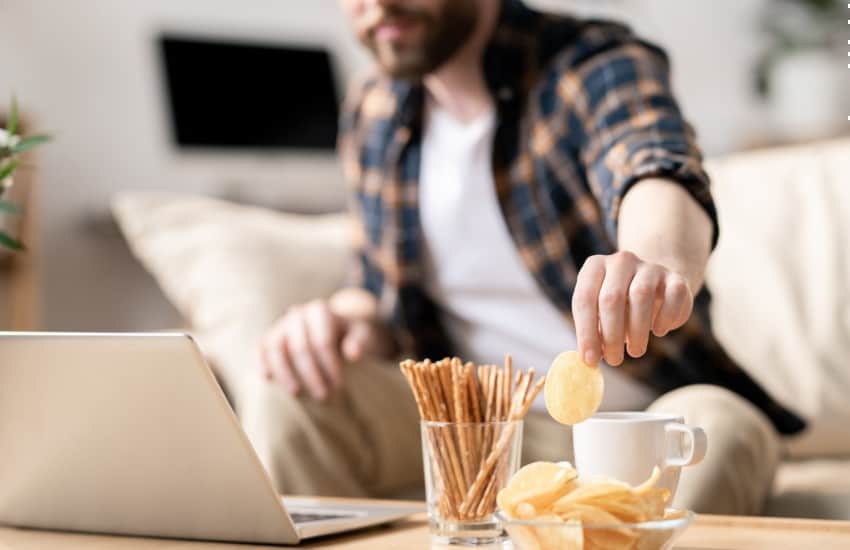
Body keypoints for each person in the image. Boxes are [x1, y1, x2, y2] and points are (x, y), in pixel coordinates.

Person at [242, 0, 805, 514]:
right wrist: (345, 317)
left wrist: (651, 258)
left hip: (635, 416)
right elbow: (377, 291)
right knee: (289, 396)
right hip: (472, 426)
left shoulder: (593, 61)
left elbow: (651, 163)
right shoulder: (374, 109)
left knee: (723, 428)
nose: (379, 5)